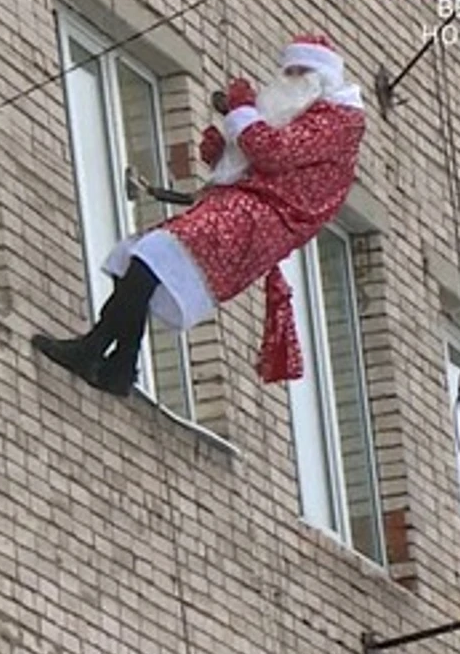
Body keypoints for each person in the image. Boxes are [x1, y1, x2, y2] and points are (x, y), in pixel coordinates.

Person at [33, 32, 368, 396]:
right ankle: (119, 366)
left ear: (322, 77)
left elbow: (274, 153)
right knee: (136, 261)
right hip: (239, 208)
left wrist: (243, 114)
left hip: (259, 219)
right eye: (287, 71)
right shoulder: (305, 111)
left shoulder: (339, 121)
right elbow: (261, 157)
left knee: (150, 258)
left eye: (299, 72)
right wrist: (226, 149)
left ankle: (99, 352)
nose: (289, 80)